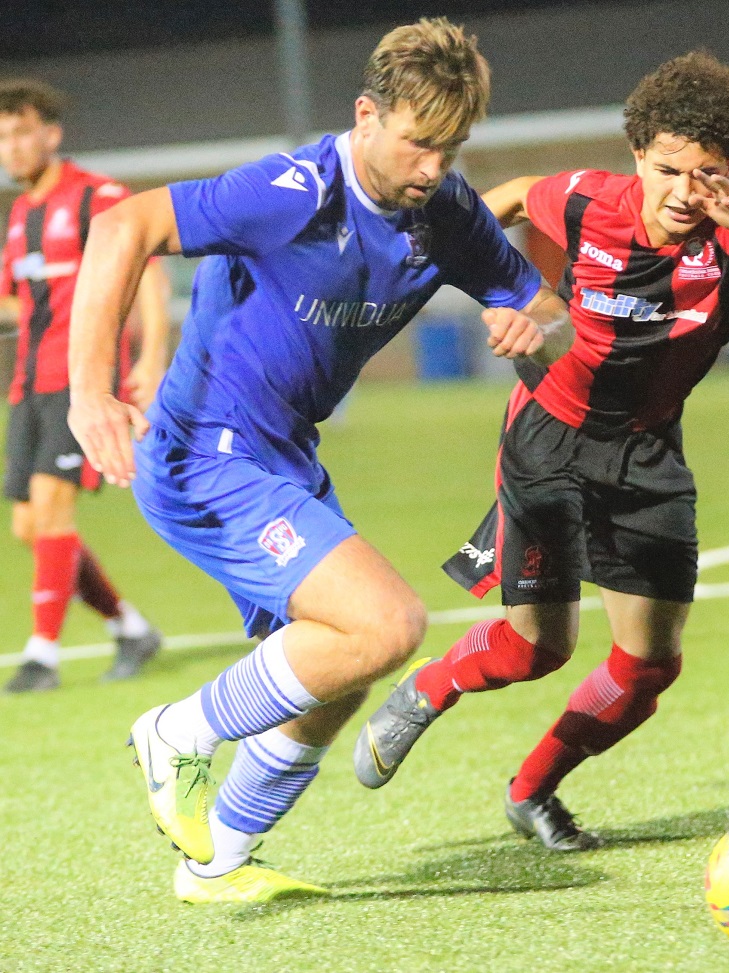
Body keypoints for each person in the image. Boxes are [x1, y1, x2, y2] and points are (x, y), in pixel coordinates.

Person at [67, 18, 573, 903]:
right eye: (419, 144)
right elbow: (121, 226)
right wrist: (89, 390)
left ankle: (218, 860)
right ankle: (177, 731)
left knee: (335, 672)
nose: (433, 168)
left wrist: (537, 328)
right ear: (366, 115)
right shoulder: (293, 189)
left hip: (284, 457)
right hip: (204, 450)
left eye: (451, 149)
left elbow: (549, 309)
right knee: (387, 624)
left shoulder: (444, 211)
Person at [355, 51, 729, 851]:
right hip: (547, 438)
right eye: (668, 169)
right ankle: (428, 687)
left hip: (646, 456)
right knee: (539, 646)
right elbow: (498, 201)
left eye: (706, 174)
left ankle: (531, 791)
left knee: (647, 668)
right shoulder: (585, 200)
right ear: (637, 155)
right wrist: (419, 259)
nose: (684, 191)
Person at [0, 80, 168, 692]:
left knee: (51, 509)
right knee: (29, 527)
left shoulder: (98, 196)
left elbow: (146, 271)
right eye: (1, 137)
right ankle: (129, 627)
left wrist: (152, 356)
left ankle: (42, 655)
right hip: (27, 383)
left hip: (82, 382)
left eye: (20, 132)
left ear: (51, 133)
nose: (10, 148)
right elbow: (18, 302)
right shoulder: (21, 215)